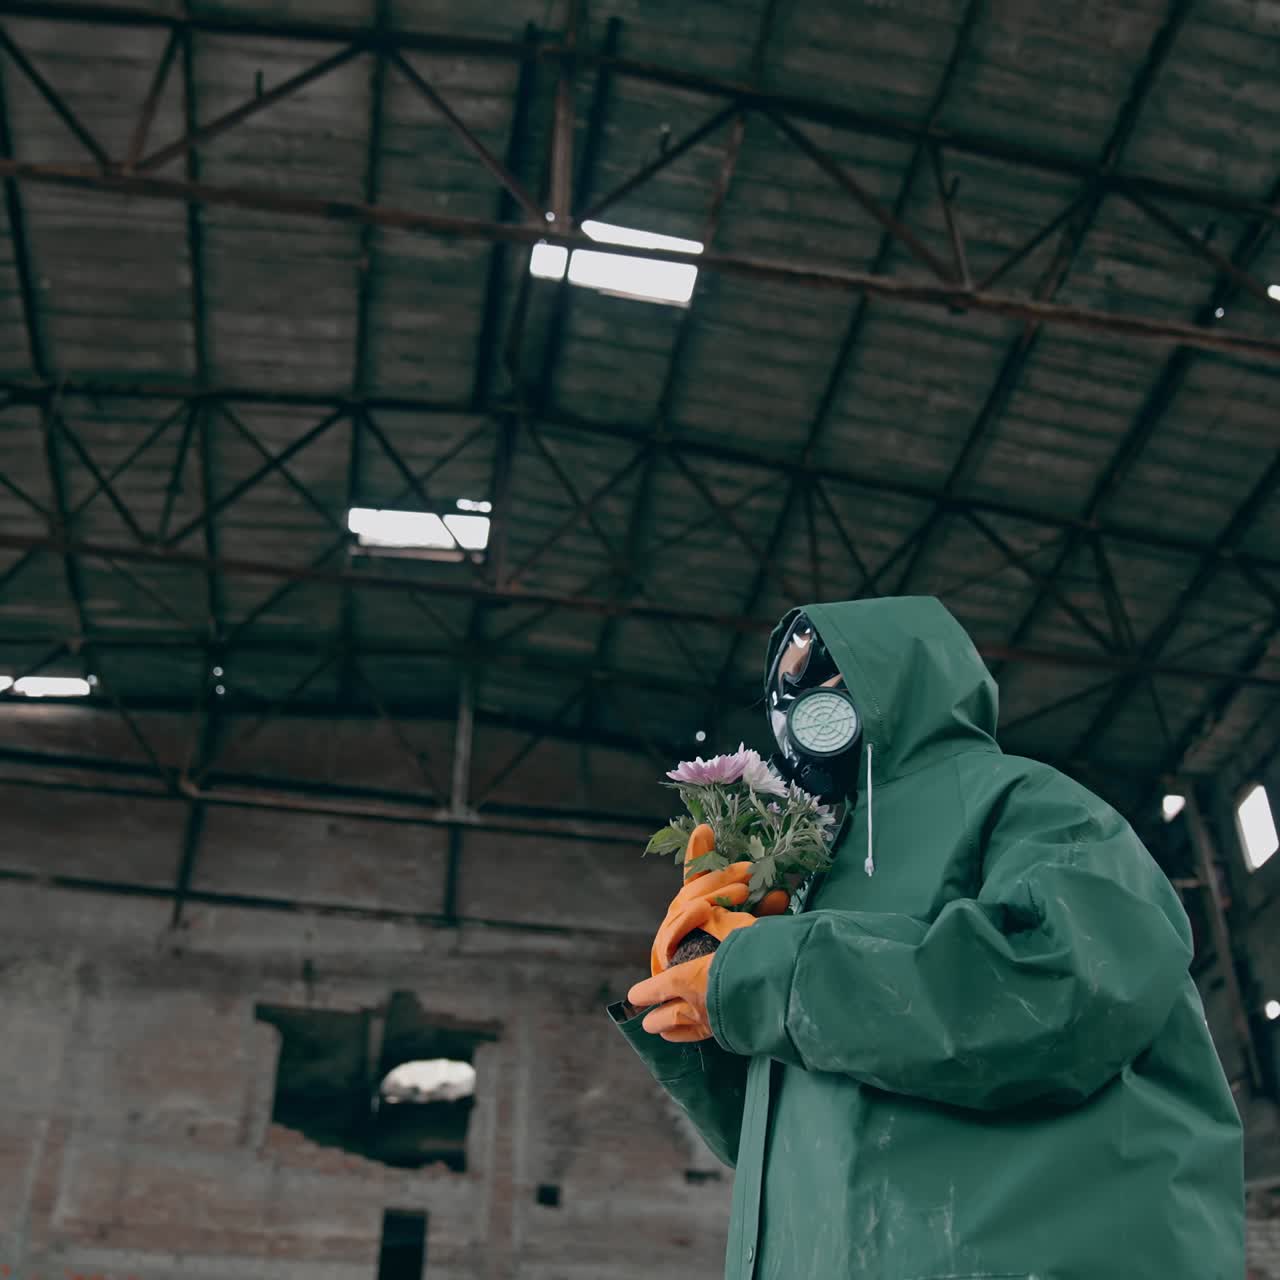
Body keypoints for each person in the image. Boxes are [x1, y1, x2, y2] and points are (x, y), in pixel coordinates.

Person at [609, 596, 1243, 1279]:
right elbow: (793, 1133)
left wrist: (773, 977)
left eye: (827, 678)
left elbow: (1061, 991)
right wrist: (717, 1011)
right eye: (785, 695)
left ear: (900, 676)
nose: (798, 710)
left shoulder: (1024, 803)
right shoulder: (820, 870)